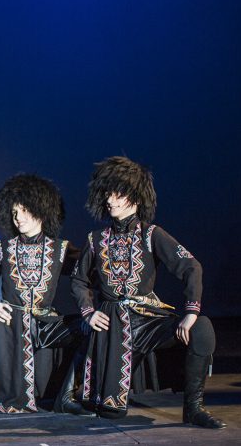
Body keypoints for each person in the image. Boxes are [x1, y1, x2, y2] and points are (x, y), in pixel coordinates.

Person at [71, 156, 225, 428]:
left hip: (147, 320)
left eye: (118, 194)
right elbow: (79, 280)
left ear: (135, 198)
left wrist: (191, 313)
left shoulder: (151, 234)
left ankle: (193, 408)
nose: (110, 200)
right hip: (112, 323)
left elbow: (191, 266)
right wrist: (88, 312)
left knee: (202, 328)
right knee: (110, 412)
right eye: (108, 193)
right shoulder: (95, 240)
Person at [0, 174, 91, 415]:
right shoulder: (4, 248)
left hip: (45, 323)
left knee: (89, 328)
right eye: (14, 212)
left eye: (24, 210)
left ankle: (67, 395)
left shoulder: (60, 248)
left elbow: (88, 273)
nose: (18, 217)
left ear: (41, 210)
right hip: (12, 325)